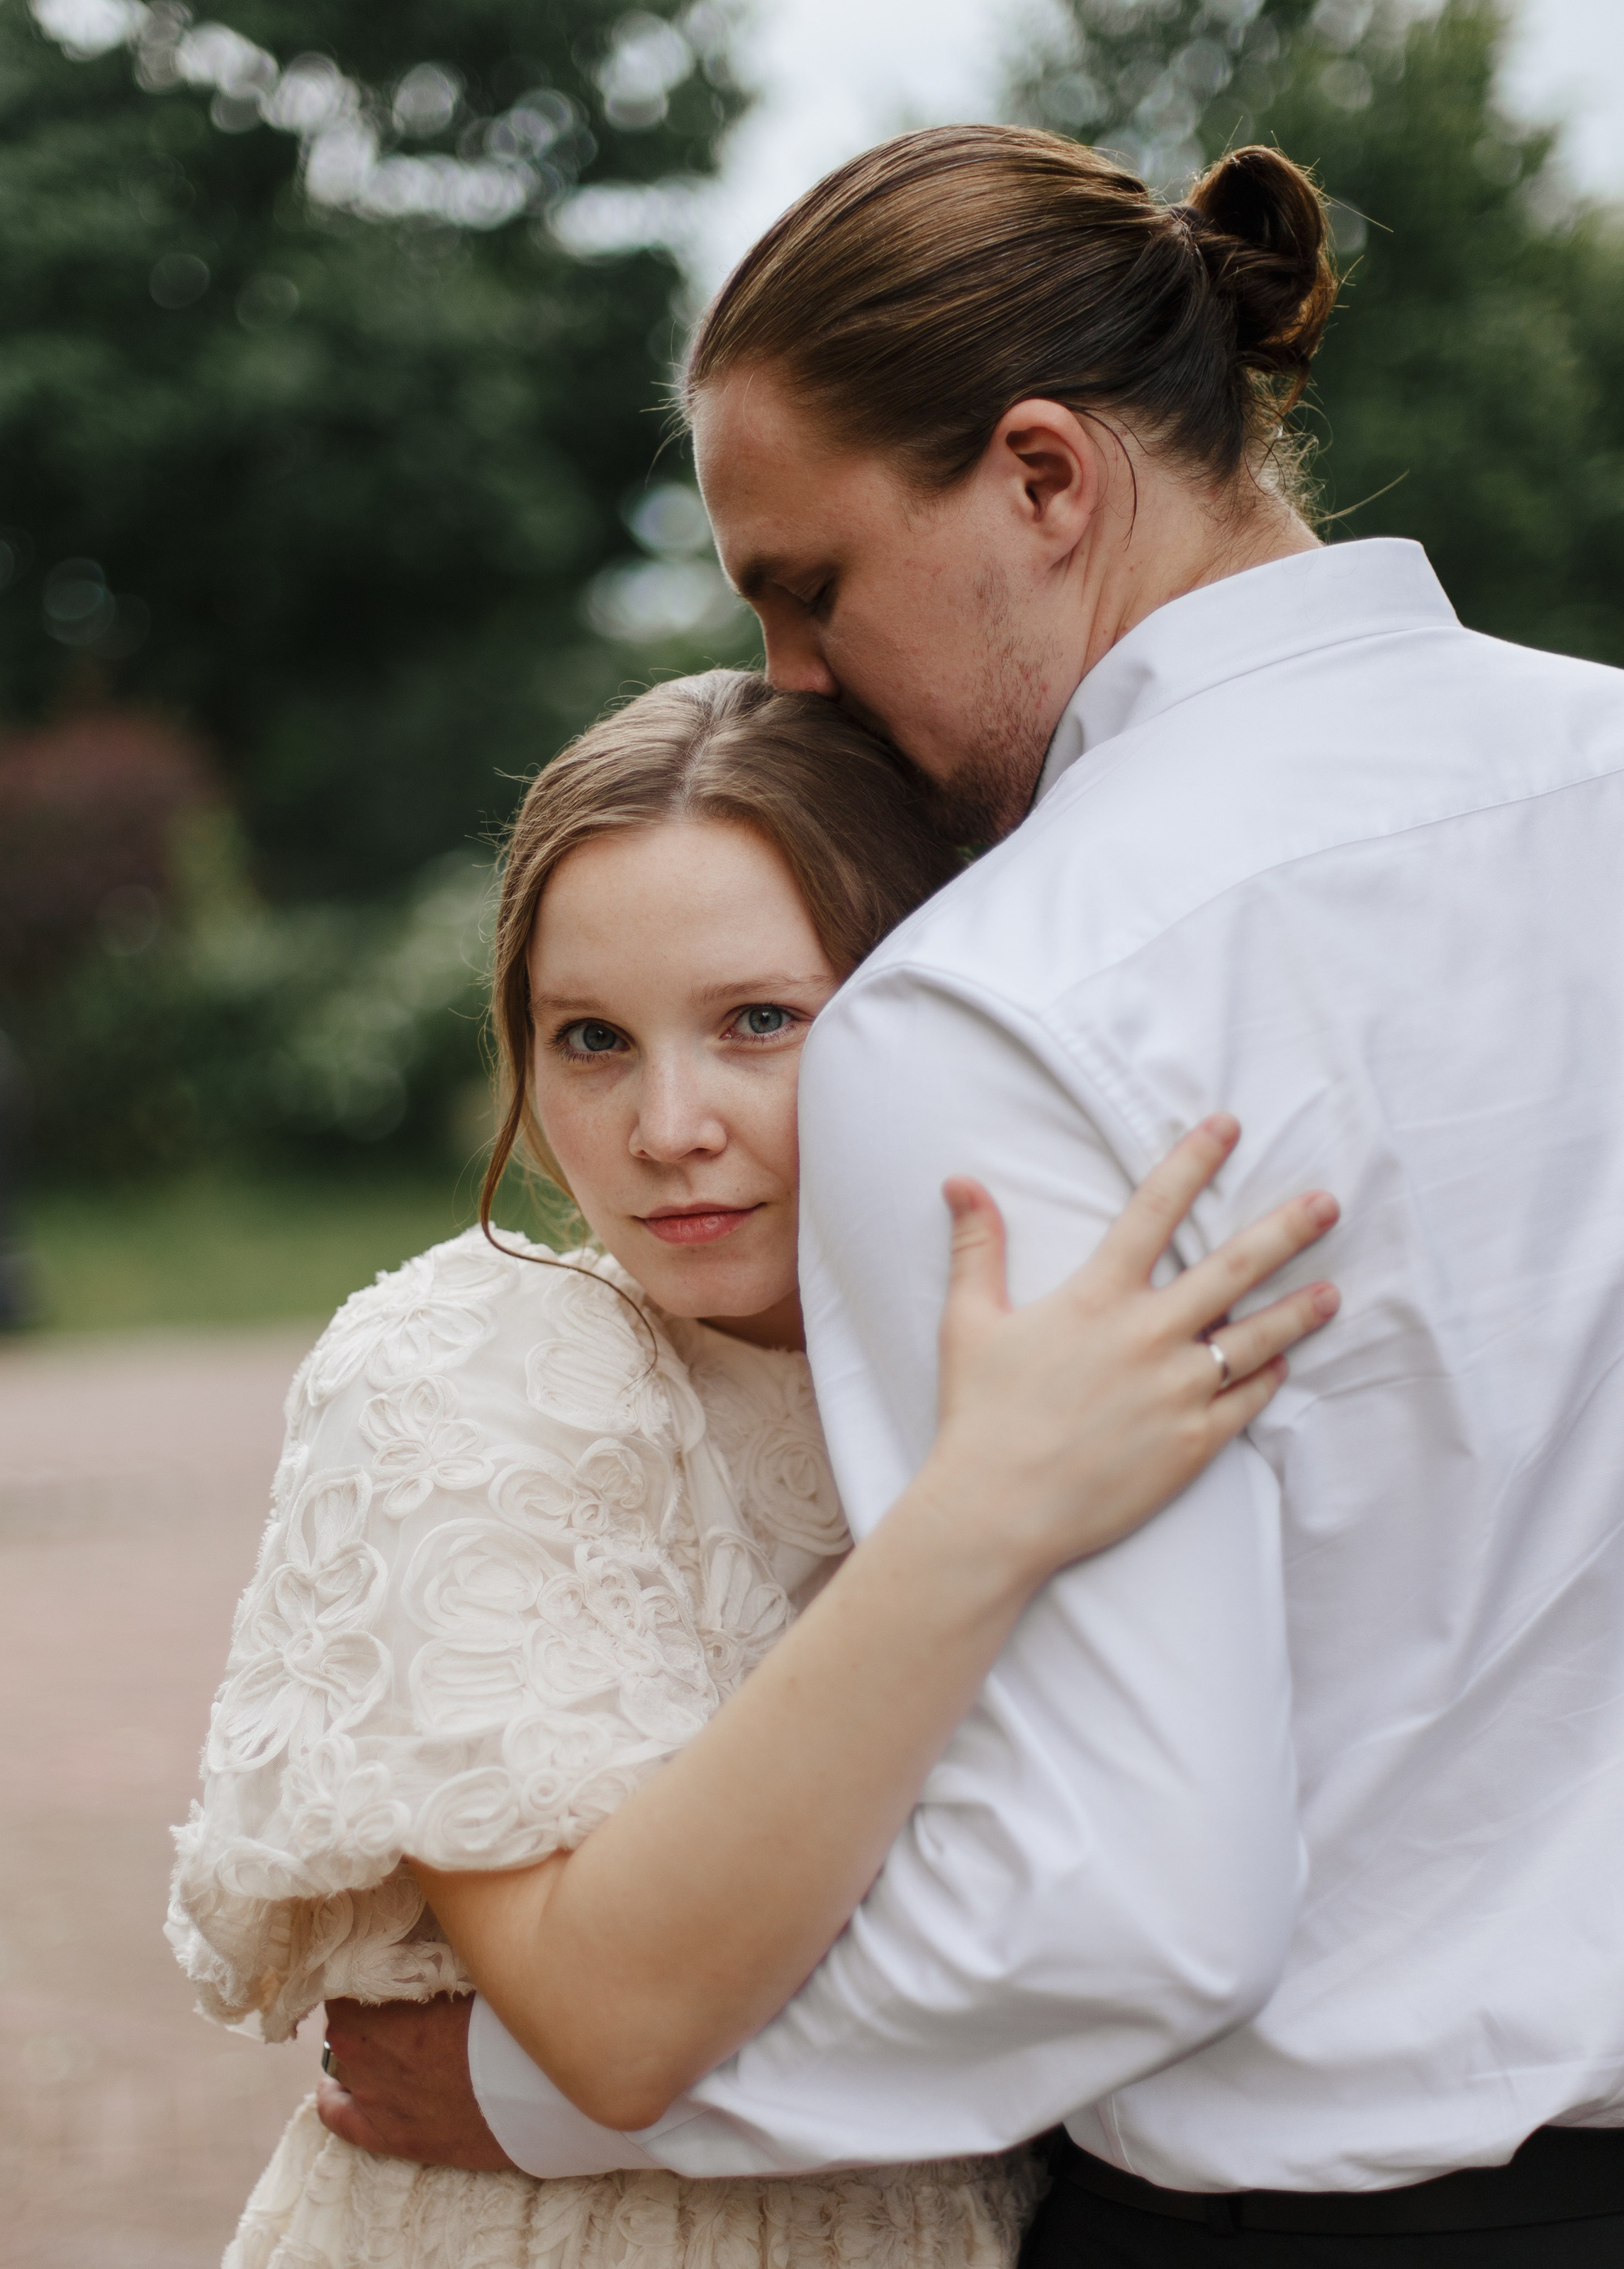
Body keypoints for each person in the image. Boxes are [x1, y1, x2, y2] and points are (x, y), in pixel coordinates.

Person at [324, 128, 1624, 2266]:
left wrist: (541, 2096)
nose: (790, 681)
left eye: (809, 588)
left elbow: (1125, 1911)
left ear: (1042, 480)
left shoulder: (1001, 999)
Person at [169, 668, 1338, 2268]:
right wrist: (978, 1515)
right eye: (591, 1039)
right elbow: (611, 2024)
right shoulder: (470, 1367)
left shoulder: (1036, 1346)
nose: (668, 1126)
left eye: (760, 1023)